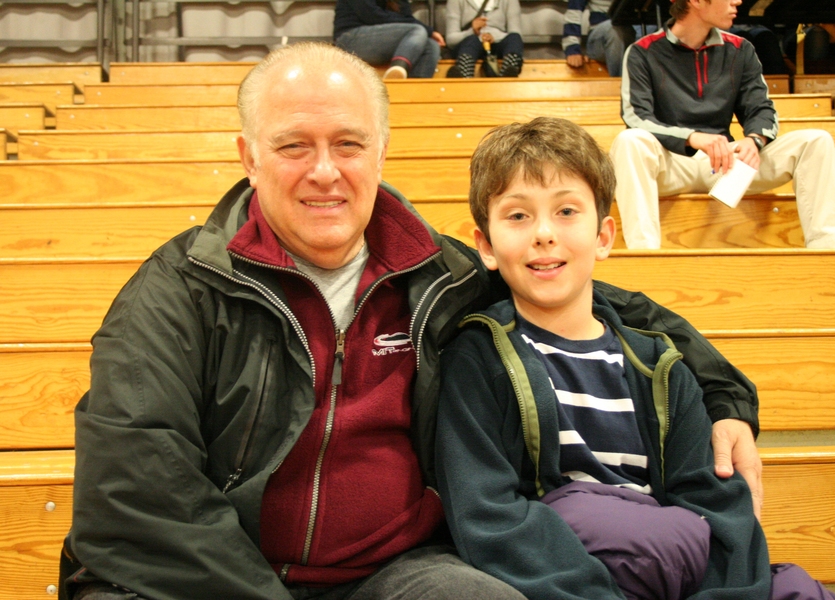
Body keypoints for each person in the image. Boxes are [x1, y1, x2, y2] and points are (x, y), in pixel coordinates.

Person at [60, 41, 762, 600]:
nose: (325, 172)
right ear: (249, 158)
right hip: (206, 579)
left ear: (381, 152)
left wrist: (725, 396)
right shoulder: (180, 288)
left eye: (348, 144)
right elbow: (135, 489)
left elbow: (599, 301)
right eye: (293, 145)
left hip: (391, 575)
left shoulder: (440, 274)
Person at [435, 115, 835, 600]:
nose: (543, 233)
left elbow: (717, 504)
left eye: (567, 211)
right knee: (602, 519)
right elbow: (487, 513)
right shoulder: (479, 357)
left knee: (798, 589)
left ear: (605, 236)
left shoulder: (659, 362)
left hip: (679, 568)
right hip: (568, 569)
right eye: (518, 216)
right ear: (486, 245)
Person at [611, 0, 835, 250]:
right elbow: (636, 117)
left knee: (816, 141)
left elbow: (761, 109)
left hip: (726, 165)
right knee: (629, 141)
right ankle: (645, 255)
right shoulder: (642, 51)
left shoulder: (740, 49)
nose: (737, 1)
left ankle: (834, 251)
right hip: (672, 164)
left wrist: (754, 139)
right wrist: (693, 137)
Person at [333, 0, 444, 79]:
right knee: (417, 30)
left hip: (382, 39)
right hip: (350, 38)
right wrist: (426, 30)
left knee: (431, 45)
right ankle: (397, 70)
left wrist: (429, 32)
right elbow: (372, 16)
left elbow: (407, 18)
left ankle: (414, 94)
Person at [563, 0, 657, 77]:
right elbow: (574, 13)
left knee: (659, 28)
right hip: (602, 37)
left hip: (633, 33)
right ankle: (619, 86)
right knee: (614, 28)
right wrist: (572, 49)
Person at [444, 0, 524, 78]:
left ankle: (507, 77)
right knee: (471, 41)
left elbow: (516, 33)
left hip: (498, 45)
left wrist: (493, 37)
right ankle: (463, 79)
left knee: (515, 38)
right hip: (470, 46)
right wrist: (472, 31)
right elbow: (451, 40)